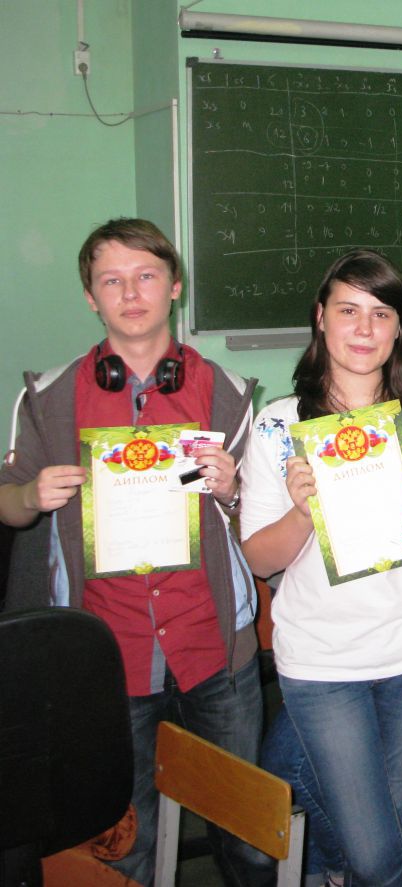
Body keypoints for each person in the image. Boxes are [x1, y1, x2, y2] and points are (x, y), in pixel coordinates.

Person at [0, 218, 266, 885]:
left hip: (214, 645)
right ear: (90, 297)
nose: (130, 293)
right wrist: (31, 493)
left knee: (248, 839)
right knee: (123, 842)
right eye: (111, 280)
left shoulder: (227, 391)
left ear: (174, 285)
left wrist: (234, 490)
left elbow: (259, 519)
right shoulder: (49, 398)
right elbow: (7, 503)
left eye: (146, 275)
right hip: (106, 657)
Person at [240, 249, 402, 886]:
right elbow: (258, 557)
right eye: (348, 311)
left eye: (381, 314)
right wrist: (303, 512)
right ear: (321, 318)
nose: (364, 329)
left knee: (374, 843)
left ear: (399, 328)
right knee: (376, 856)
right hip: (323, 663)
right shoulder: (279, 426)